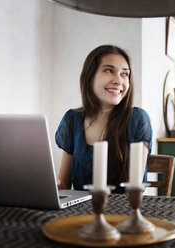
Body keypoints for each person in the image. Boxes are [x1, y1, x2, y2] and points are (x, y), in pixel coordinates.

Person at [55, 45, 152, 193]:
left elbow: (132, 193)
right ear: (90, 77)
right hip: (80, 214)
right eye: (108, 71)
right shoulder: (72, 120)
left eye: (125, 74)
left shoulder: (137, 119)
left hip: (122, 213)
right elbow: (63, 186)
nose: (118, 81)